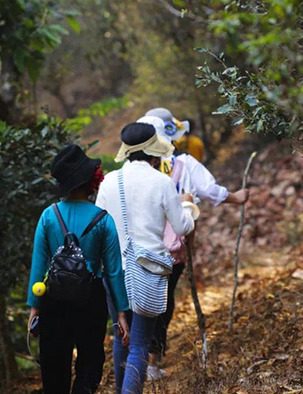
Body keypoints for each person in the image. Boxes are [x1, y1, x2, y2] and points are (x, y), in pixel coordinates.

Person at [138, 110, 250, 379]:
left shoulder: (138, 169)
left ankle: (139, 360)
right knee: (165, 300)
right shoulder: (185, 163)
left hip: (141, 245)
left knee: (145, 300)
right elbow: (210, 191)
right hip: (176, 244)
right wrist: (236, 197)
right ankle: (153, 361)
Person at [96, 123, 195, 394]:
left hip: (115, 270)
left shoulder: (107, 182)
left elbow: (98, 225)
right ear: (154, 154)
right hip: (148, 270)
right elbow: (183, 227)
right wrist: (186, 206)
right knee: (140, 343)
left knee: (121, 337)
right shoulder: (161, 182)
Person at [27, 144, 130, 394]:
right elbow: (114, 271)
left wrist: (34, 307)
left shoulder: (48, 216)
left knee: (53, 365)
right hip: (91, 299)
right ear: (90, 181)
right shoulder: (103, 220)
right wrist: (121, 312)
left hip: (53, 297)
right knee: (90, 362)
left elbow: (38, 265)